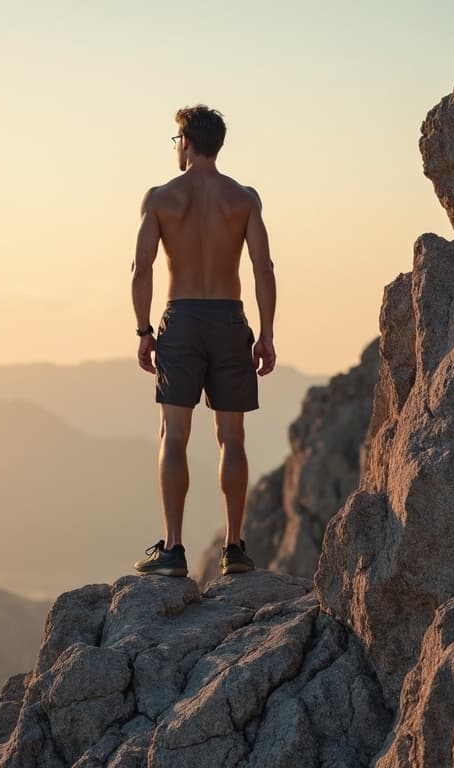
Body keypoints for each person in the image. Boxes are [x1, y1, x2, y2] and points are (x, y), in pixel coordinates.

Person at [129, 104, 277, 578]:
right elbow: (263, 268)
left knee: (174, 435)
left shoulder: (161, 198)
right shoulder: (244, 199)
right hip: (229, 318)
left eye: (177, 140)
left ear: (187, 143)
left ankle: (172, 548)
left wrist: (144, 331)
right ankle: (235, 548)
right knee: (231, 436)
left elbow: (142, 269)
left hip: (182, 319)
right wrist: (267, 333)